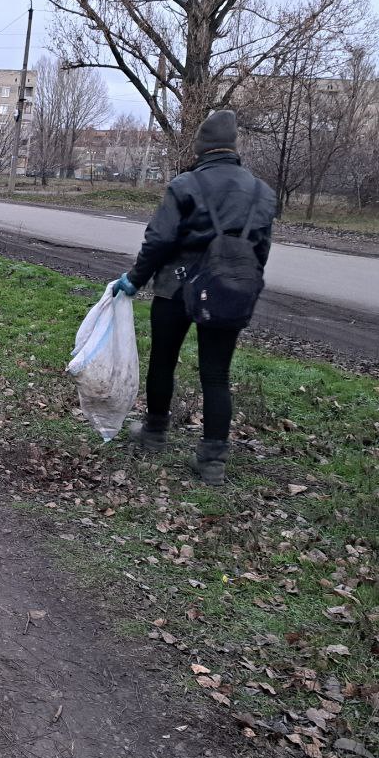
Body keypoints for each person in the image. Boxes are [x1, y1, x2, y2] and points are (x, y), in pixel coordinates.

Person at [109, 110, 275, 485]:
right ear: (234, 147)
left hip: (175, 288)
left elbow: (159, 240)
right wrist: (240, 283)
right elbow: (261, 249)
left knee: (163, 362)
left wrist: (135, 279)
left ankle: (153, 435)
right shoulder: (262, 193)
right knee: (217, 375)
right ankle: (213, 460)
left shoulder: (185, 185)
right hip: (228, 291)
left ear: (201, 149)